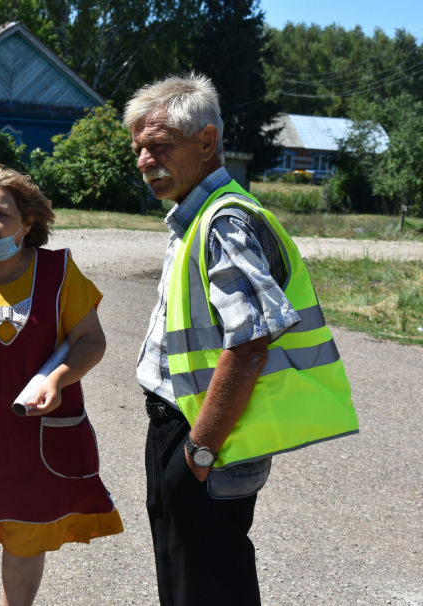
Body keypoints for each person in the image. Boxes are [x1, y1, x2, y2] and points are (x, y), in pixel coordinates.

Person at [123, 74, 357, 605]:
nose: (143, 160)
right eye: (138, 148)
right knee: (195, 580)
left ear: (207, 142)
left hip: (205, 440)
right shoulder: (197, 218)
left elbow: (251, 343)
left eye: (159, 146)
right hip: (193, 434)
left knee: (206, 586)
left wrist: (198, 453)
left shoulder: (224, 222)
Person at [0, 164, 123, 606]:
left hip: (37, 439)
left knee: (27, 540)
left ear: (27, 224)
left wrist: (58, 378)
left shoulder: (60, 273)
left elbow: (90, 341)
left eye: (0, 216)